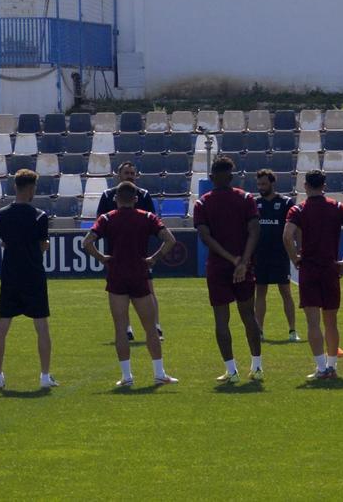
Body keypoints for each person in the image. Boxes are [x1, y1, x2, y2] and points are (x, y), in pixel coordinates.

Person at [84, 181, 179, 387]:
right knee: (150, 328)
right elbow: (170, 239)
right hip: (139, 274)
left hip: (117, 275)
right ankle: (159, 372)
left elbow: (87, 242)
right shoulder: (146, 217)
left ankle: (127, 377)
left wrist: (102, 258)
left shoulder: (107, 218)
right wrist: (154, 258)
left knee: (120, 328)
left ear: (115, 199)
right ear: (136, 199)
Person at [282, 170, 343, 380]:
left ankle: (320, 368)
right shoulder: (336, 207)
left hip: (309, 268)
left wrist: (295, 259)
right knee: (331, 321)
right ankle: (332, 367)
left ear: (306, 186)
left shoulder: (298, 210)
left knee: (313, 322)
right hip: (330, 268)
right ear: (324, 186)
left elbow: (287, 237)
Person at [194, 156, 263, 383]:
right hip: (244, 266)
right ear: (231, 177)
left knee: (221, 320)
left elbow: (206, 237)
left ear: (212, 177)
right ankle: (257, 366)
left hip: (218, 267)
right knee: (248, 315)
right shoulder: (245, 198)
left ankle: (231, 371)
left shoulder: (203, 203)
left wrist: (231, 259)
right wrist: (243, 262)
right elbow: (254, 231)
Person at [0, 169, 58, 389]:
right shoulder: (39, 216)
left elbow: (4, 242)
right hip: (33, 275)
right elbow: (42, 245)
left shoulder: (0, 215)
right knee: (41, 327)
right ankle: (45, 376)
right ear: (30, 188)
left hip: (10, 275)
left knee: (3, 325)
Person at [96, 161, 163, 341]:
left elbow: (152, 223)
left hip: (139, 251)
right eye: (127, 173)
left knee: (149, 289)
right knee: (120, 295)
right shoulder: (107, 195)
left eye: (133, 173)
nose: (130, 176)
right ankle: (126, 329)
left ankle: (156, 326)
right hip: (116, 253)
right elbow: (100, 222)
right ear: (119, 175)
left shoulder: (144, 195)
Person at [253, 169, 298, 342]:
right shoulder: (255, 203)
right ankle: (259, 331)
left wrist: (297, 249)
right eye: (258, 184)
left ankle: (292, 331)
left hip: (280, 254)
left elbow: (294, 229)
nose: (261, 187)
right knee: (260, 292)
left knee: (285, 291)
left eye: (263, 184)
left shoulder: (286, 202)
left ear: (272, 183)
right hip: (260, 255)